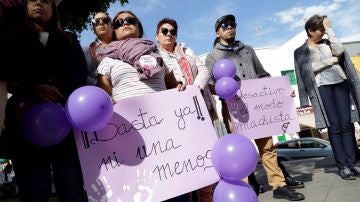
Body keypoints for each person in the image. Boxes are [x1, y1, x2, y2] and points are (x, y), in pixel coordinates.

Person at [205, 14, 305, 201]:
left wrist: (282, 92)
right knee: (239, 151)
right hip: (233, 107)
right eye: (224, 25)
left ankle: (279, 186)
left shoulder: (248, 50)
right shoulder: (212, 57)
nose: (229, 28)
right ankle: (247, 185)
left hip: (259, 108)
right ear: (217, 31)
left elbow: (263, 74)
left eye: (232, 24)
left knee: (267, 148)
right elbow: (212, 85)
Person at [97, 11, 188, 202]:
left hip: (165, 137)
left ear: (139, 28)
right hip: (129, 138)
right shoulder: (107, 62)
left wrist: (180, 88)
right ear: (114, 30)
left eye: (130, 20)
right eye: (119, 22)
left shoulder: (158, 56)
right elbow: (104, 99)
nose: (125, 23)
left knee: (175, 189)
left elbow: (173, 85)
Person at [3, 0, 88, 201]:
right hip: (25, 120)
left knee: (71, 181)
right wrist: (34, 87)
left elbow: (80, 71)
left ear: (54, 9)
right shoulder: (12, 40)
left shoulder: (68, 39)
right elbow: (9, 73)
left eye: (46, 0)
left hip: (65, 119)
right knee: (34, 185)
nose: (39, 2)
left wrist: (59, 91)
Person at [294, 15, 360, 180]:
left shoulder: (328, 42)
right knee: (334, 126)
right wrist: (331, 61)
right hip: (322, 88)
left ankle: (353, 164)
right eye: (321, 30)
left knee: (347, 124)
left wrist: (330, 30)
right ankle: (343, 166)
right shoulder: (300, 51)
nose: (323, 33)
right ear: (310, 30)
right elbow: (305, 71)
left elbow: (340, 51)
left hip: (341, 83)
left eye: (325, 30)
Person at [155, 17, 212, 202]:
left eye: (172, 31)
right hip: (175, 116)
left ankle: (206, 198)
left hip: (199, 108)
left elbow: (203, 70)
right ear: (157, 35)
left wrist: (195, 89)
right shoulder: (154, 56)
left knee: (204, 159)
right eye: (165, 31)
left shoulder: (187, 51)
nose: (169, 34)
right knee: (183, 162)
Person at [84, 12, 114, 86]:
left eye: (105, 20)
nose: (101, 23)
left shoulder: (124, 48)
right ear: (93, 29)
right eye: (97, 21)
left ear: (112, 27)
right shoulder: (86, 51)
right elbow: (82, 75)